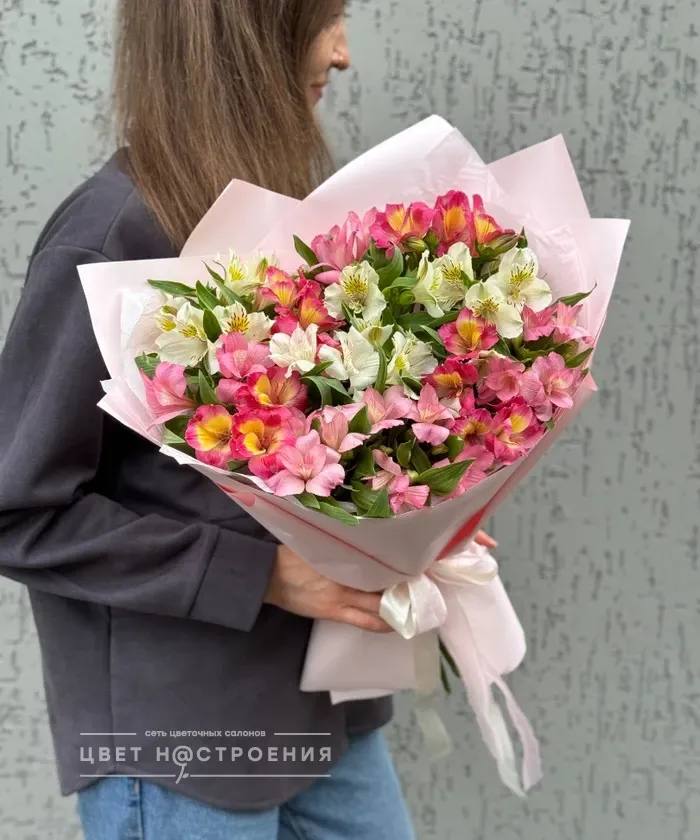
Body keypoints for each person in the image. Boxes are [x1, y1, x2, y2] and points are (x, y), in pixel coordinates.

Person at [0, 2, 496, 838]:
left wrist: (410, 513)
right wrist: (260, 575)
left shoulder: (280, 218)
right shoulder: (112, 231)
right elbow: (17, 510)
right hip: (181, 742)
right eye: (326, 18)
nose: (342, 53)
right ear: (246, 28)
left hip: (324, 714)